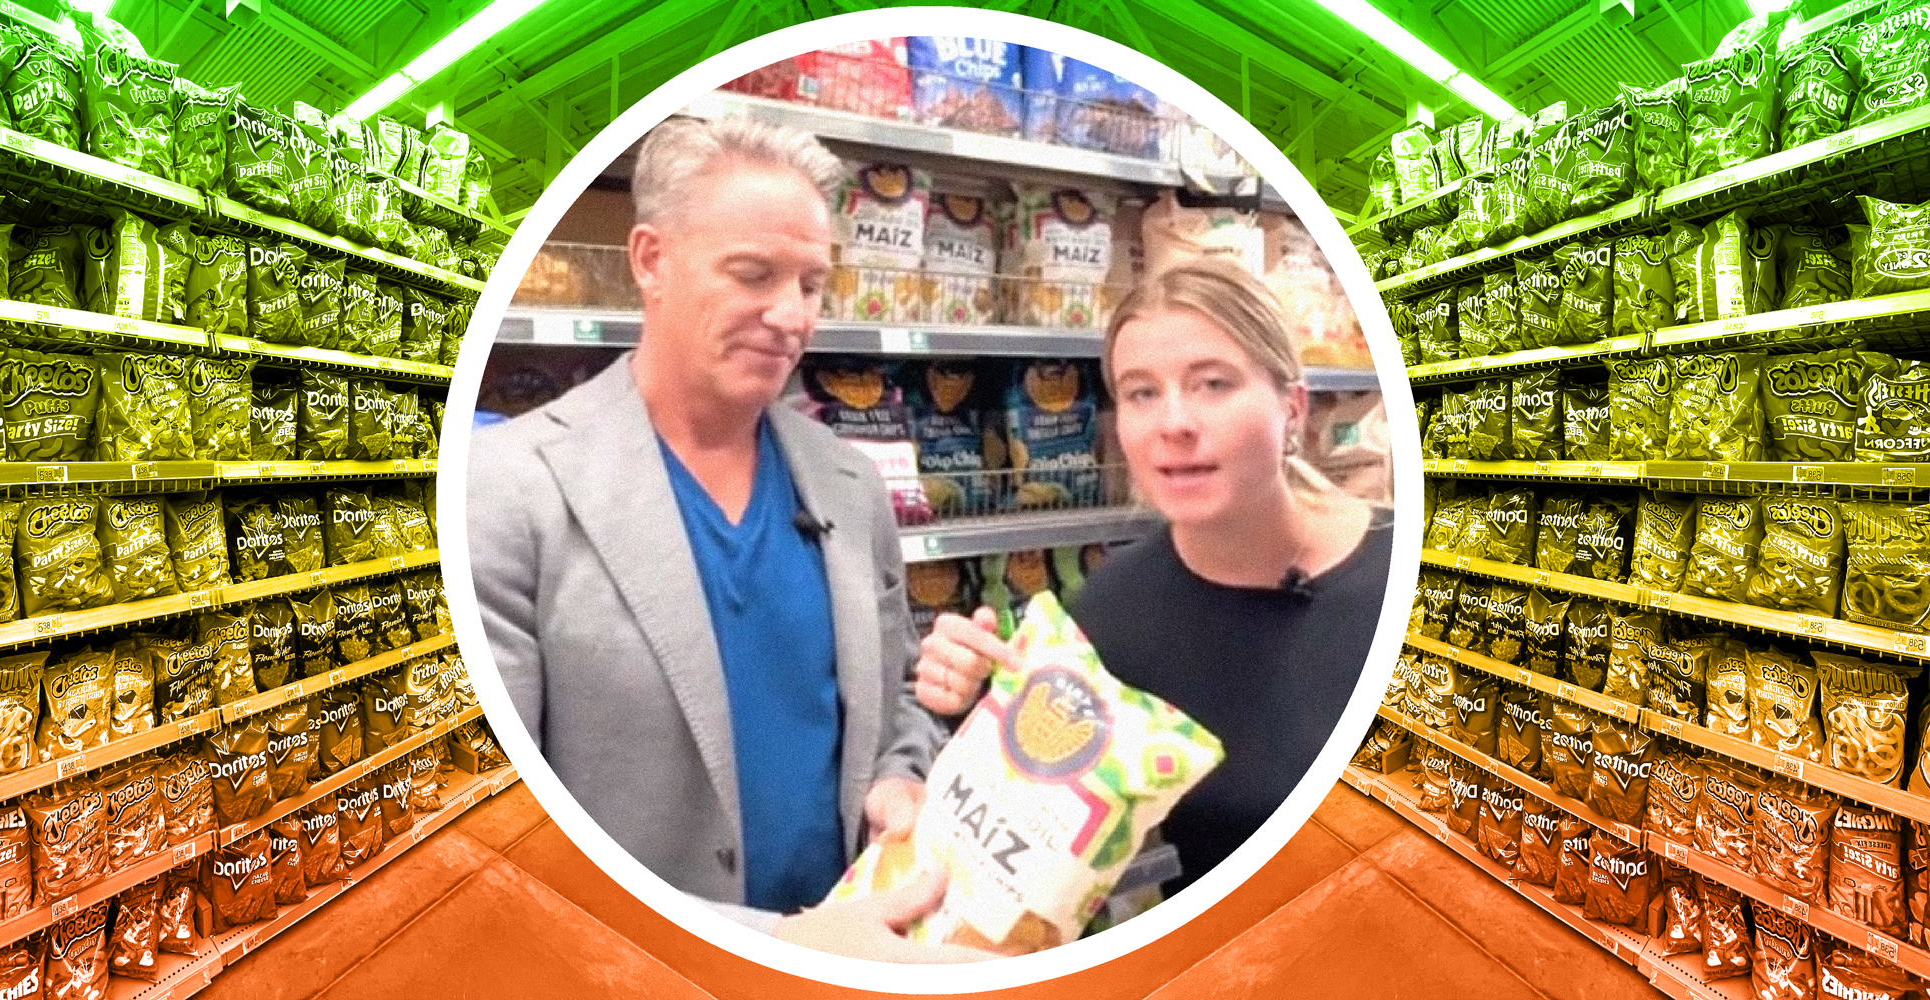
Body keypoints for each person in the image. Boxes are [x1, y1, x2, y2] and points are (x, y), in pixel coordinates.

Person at [468, 116, 986, 962]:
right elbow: (497, 835)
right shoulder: (507, 493)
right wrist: (780, 943)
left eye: (813, 284)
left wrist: (900, 776)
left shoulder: (850, 488)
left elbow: (890, 696)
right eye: (753, 274)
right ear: (650, 260)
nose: (789, 315)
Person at [916, 256, 1394, 896]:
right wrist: (977, 705)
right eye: (1142, 392)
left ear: (1293, 409)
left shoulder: (1412, 566)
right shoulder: (1108, 621)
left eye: (1213, 385)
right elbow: (1031, 854)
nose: (1174, 424)